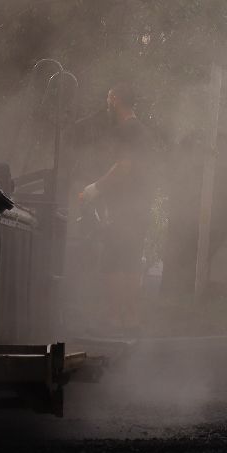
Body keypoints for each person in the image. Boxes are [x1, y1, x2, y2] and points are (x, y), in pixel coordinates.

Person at [79, 83, 149, 332]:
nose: (106, 103)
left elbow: (124, 167)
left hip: (125, 209)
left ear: (117, 100)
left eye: (108, 98)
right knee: (129, 261)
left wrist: (96, 188)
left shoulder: (127, 129)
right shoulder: (139, 129)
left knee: (113, 262)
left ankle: (115, 319)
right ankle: (129, 320)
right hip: (138, 207)